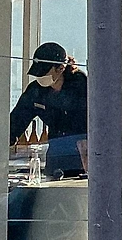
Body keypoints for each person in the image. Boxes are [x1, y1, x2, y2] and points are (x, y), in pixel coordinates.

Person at [9, 41, 88, 177]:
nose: (40, 77)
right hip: (55, 159)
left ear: (60, 68)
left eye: (44, 72)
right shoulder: (35, 91)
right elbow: (15, 122)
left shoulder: (82, 85)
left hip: (83, 158)